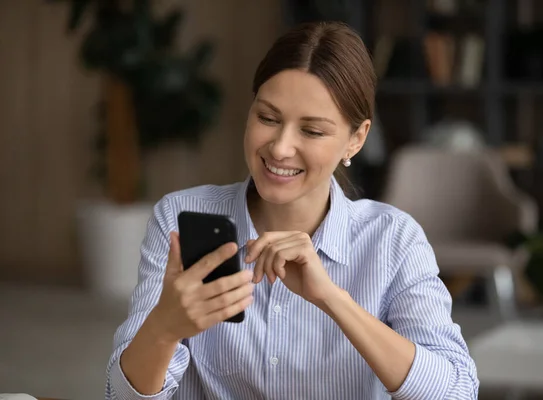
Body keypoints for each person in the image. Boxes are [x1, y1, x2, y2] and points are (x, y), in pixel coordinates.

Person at [105, 21, 479, 400]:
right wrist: (164, 329)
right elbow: (120, 397)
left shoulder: (394, 241)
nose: (281, 148)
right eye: (267, 118)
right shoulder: (181, 217)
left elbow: (457, 393)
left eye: (312, 131)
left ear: (356, 139)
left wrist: (333, 300)